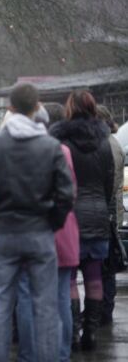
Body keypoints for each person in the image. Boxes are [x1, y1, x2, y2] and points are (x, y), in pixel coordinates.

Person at [0, 84, 74, 362]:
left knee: (1, 303)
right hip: (40, 231)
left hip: (5, 231)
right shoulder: (50, 147)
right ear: (36, 106)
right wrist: (51, 222)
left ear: (10, 107)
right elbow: (66, 194)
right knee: (45, 305)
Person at [15, 102, 80, 362]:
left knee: (26, 295)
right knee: (62, 294)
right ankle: (60, 354)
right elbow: (69, 192)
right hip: (62, 229)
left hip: (28, 230)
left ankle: (29, 355)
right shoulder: (63, 151)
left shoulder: (15, 152)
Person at [50, 91, 114, 351]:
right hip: (98, 215)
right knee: (94, 275)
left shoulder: (60, 142)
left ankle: (73, 332)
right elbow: (108, 183)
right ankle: (92, 333)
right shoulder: (105, 142)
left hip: (71, 217)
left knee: (69, 279)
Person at [97, 105, 124, 327]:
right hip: (111, 212)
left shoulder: (107, 145)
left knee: (105, 265)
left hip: (107, 213)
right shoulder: (113, 143)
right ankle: (105, 308)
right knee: (107, 265)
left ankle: (104, 309)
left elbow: (111, 184)